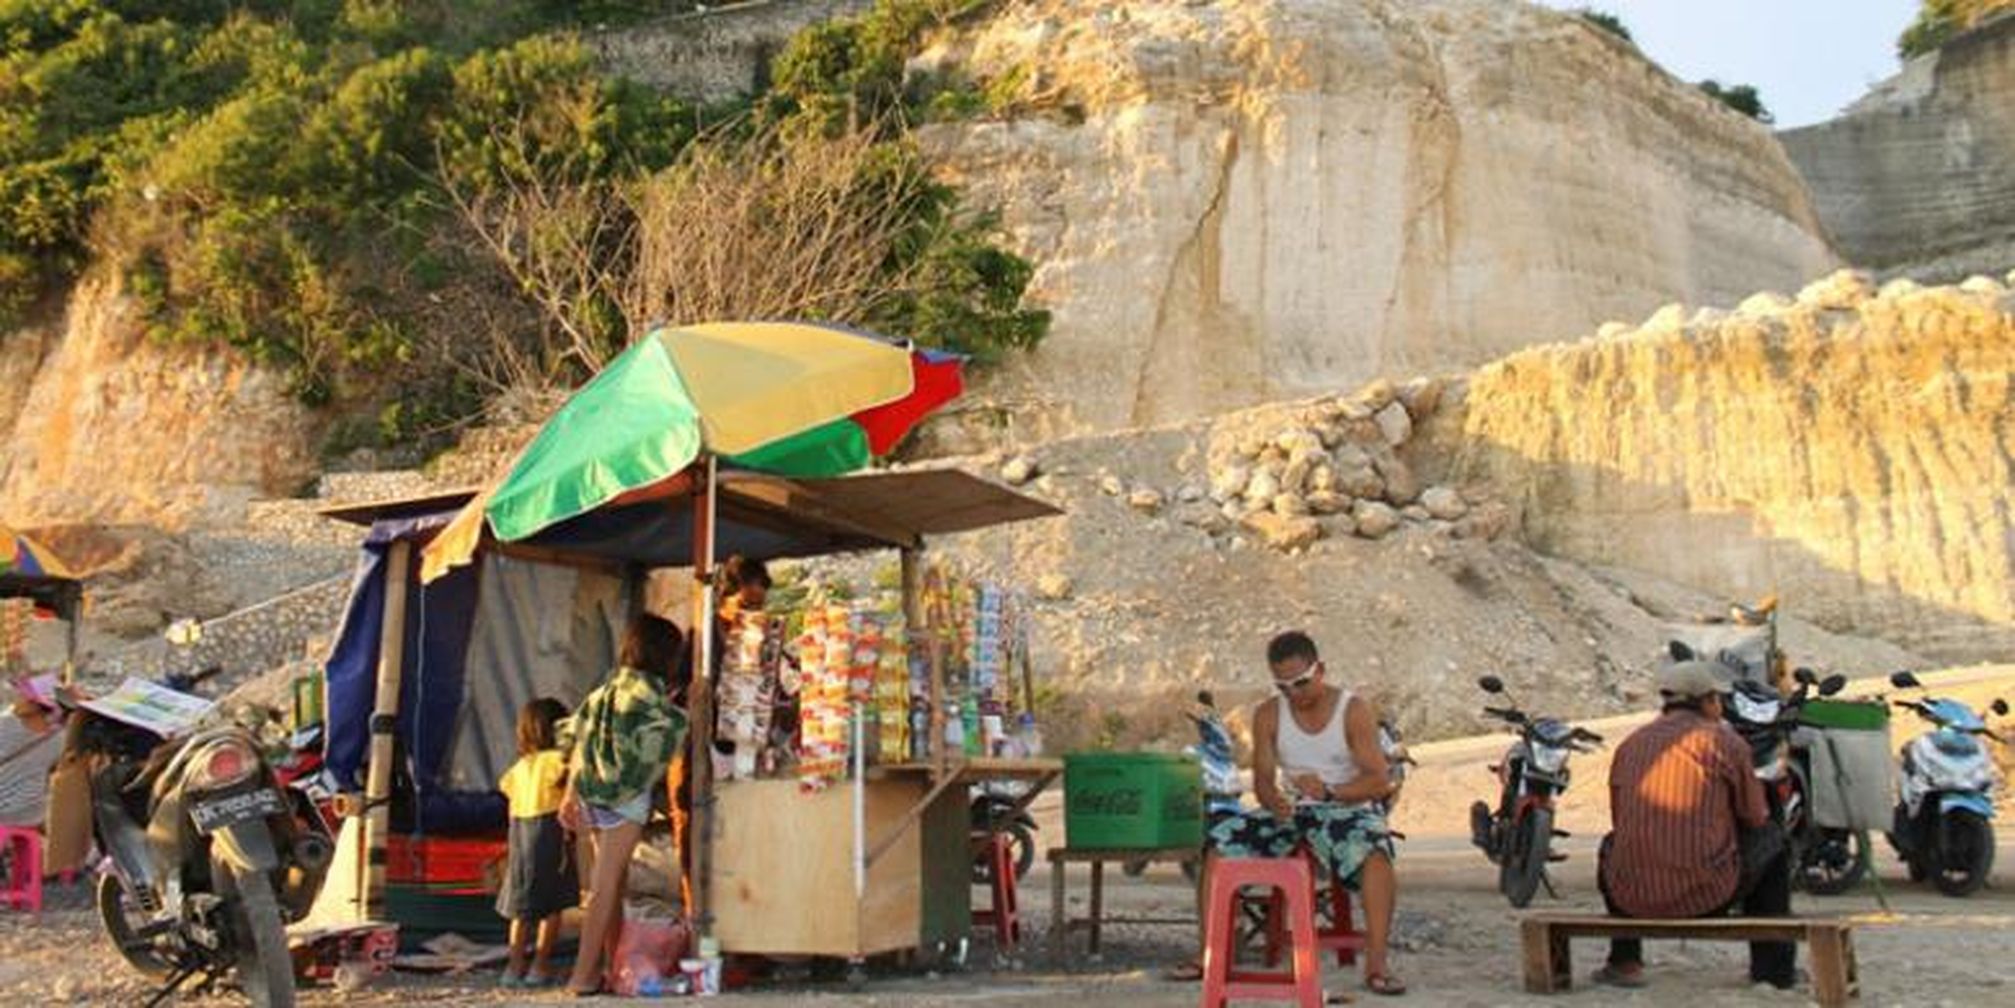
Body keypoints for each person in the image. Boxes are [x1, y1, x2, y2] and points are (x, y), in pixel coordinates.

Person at [1188, 631, 1407, 997]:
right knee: (1218, 842)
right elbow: (1261, 781)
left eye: (1302, 682)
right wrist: (1274, 801)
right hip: (1291, 811)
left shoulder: (1352, 710)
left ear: (1320, 669)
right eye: (1284, 686)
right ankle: (1208, 954)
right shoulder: (1268, 714)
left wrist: (1331, 791)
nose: (1295, 693)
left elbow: (1379, 782)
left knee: (1376, 853)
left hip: (1345, 807)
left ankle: (1377, 962)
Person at [1595, 660, 1795, 990]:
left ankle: (1624, 960)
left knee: (1610, 846)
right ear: (1708, 701)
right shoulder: (1724, 742)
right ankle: (1772, 970)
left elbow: (1621, 821)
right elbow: (1755, 817)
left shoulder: (1630, 744)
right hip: (1707, 893)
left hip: (1633, 896)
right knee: (1773, 840)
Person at [560, 615, 689, 997]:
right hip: (626, 802)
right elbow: (669, 734)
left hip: (592, 796)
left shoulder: (604, 690)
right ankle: (582, 976)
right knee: (604, 888)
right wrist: (692, 710)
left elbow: (575, 740)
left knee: (610, 887)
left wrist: (570, 794)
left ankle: (611, 969)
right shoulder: (649, 696)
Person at [496, 697, 577, 988]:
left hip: (519, 836)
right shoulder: (559, 761)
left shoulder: (519, 767)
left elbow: (506, 794)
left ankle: (513, 967)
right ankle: (539, 966)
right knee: (551, 908)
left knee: (521, 909)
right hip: (549, 834)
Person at [0, 675, 65, 827]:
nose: (18, 699)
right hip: (30, 813)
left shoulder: (5, 724)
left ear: (35, 705)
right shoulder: (60, 737)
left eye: (25, 696)